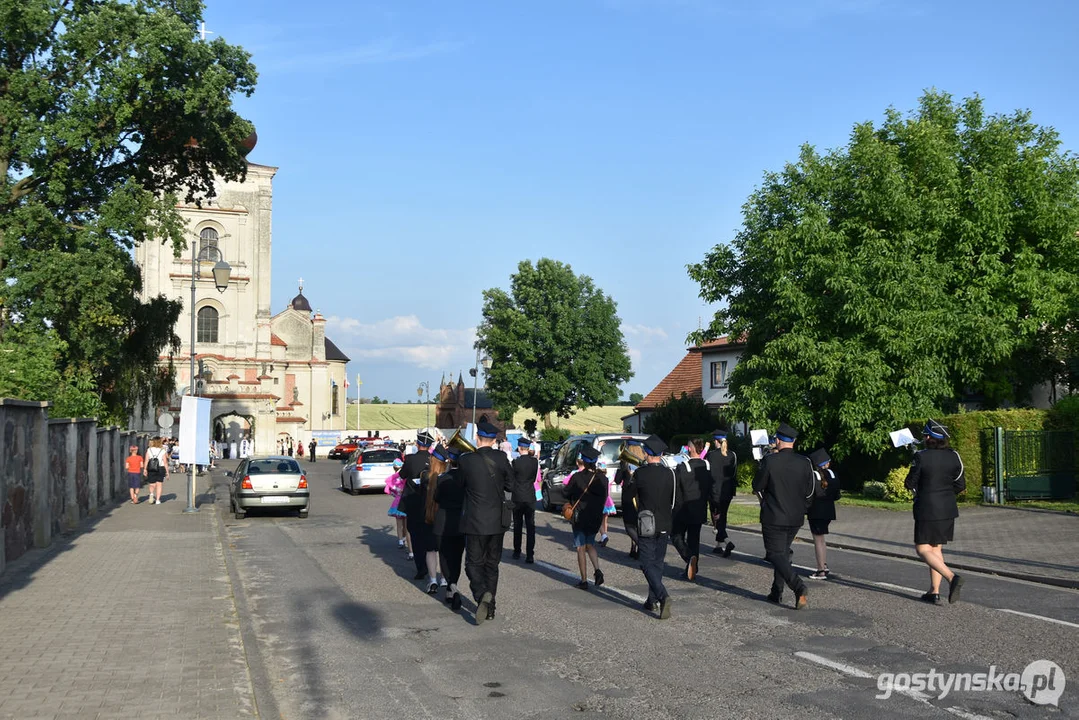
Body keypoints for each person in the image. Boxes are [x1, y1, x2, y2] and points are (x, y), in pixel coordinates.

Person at [753, 422, 813, 610]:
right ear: (793, 442)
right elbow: (810, 491)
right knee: (783, 553)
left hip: (774, 515)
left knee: (774, 554)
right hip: (795, 517)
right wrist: (803, 508)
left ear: (777, 441)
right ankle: (776, 591)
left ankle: (798, 586)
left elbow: (757, 486)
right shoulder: (805, 462)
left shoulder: (770, 461)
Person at [905, 419, 966, 605]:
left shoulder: (921, 456)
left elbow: (910, 483)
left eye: (925, 435)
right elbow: (960, 484)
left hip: (927, 508)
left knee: (922, 549)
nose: (923, 437)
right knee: (936, 547)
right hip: (948, 508)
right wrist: (945, 495)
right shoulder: (954, 455)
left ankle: (951, 577)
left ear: (929, 437)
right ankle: (934, 591)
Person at [458, 421, 513, 624]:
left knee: (473, 563)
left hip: (474, 520)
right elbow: (511, 484)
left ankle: (482, 595)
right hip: (497, 521)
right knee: (492, 565)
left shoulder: (466, 460)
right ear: (493, 439)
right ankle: (491, 609)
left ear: (477, 438)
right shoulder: (501, 457)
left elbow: (459, 486)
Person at [623, 435, 677, 619]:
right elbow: (673, 499)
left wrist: (631, 478)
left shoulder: (640, 473)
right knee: (658, 562)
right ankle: (651, 600)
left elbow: (629, 495)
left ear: (647, 453)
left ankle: (662, 596)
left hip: (647, 523)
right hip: (665, 522)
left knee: (646, 563)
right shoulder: (670, 473)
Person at [563, 446, 607, 589]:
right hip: (595, 518)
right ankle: (597, 570)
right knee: (591, 544)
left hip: (580, 517)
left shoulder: (577, 477)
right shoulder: (603, 479)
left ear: (584, 461)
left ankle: (583, 580)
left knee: (580, 548)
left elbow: (566, 492)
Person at [672, 438, 712, 581]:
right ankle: (692, 569)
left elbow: (676, 490)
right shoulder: (707, 465)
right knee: (694, 539)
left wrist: (674, 509)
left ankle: (689, 558)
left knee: (676, 536)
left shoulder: (682, 467)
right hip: (700, 508)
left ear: (691, 449)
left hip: (684, 509)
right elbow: (711, 488)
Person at [435, 444, 467, 610]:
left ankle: (452, 587)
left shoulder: (442, 478)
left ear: (449, 460)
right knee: (456, 557)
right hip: (460, 523)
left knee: (444, 556)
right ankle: (451, 586)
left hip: (443, 522)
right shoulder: (464, 480)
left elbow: (436, 498)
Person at [401, 431, 434, 580]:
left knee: (415, 534)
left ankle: (421, 567)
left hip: (414, 502)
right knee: (428, 534)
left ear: (418, 444)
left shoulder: (410, 459)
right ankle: (431, 563)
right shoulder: (434, 459)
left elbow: (402, 475)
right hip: (431, 502)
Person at [807, 448, 840, 580]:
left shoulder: (814, 475)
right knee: (821, 538)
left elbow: (809, 494)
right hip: (829, 510)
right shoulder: (833, 475)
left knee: (818, 539)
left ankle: (821, 569)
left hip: (816, 511)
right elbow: (837, 495)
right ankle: (823, 564)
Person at [706, 429, 737, 557]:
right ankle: (718, 545)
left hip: (714, 492)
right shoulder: (732, 455)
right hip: (727, 491)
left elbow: (708, 474)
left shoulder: (711, 455)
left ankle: (726, 540)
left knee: (717, 518)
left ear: (716, 441)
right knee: (722, 517)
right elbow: (734, 474)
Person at [510, 436, 539, 563]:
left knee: (518, 525)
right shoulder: (534, 462)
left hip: (517, 495)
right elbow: (533, 478)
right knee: (530, 526)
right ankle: (530, 554)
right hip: (529, 495)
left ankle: (517, 551)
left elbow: (512, 479)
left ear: (520, 449)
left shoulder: (515, 462)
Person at [615, 442, 645, 559]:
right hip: (640, 496)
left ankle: (640, 547)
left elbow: (617, 480)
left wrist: (620, 468)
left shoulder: (625, 463)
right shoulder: (643, 463)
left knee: (629, 525)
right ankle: (634, 548)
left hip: (628, 496)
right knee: (637, 524)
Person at [385, 459, 411, 556]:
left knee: (399, 524)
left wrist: (395, 491)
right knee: (406, 525)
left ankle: (400, 541)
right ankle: (405, 538)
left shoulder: (393, 477)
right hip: (405, 501)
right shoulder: (405, 476)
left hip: (397, 502)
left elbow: (388, 488)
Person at [143, 437, 170, 505]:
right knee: (159, 484)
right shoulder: (162, 450)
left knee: (152, 483)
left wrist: (145, 469)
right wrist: (167, 472)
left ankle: (151, 494)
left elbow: (146, 460)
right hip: (161, 468)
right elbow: (165, 462)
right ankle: (158, 500)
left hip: (151, 468)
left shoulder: (149, 450)